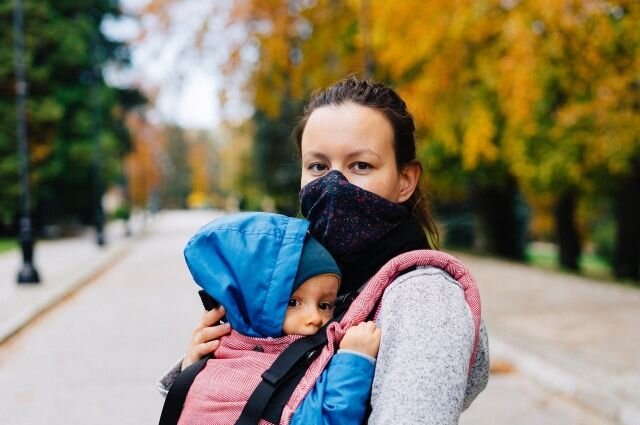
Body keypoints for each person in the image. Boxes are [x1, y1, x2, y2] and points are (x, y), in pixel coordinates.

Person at [160, 77, 489, 424]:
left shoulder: (425, 298)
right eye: (318, 166)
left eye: (360, 165)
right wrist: (204, 369)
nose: (334, 185)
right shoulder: (300, 273)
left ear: (405, 180)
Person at [172, 212, 381, 425]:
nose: (315, 318)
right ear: (252, 304)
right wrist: (354, 360)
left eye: (325, 305)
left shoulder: (302, 352)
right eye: (293, 302)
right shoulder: (227, 375)